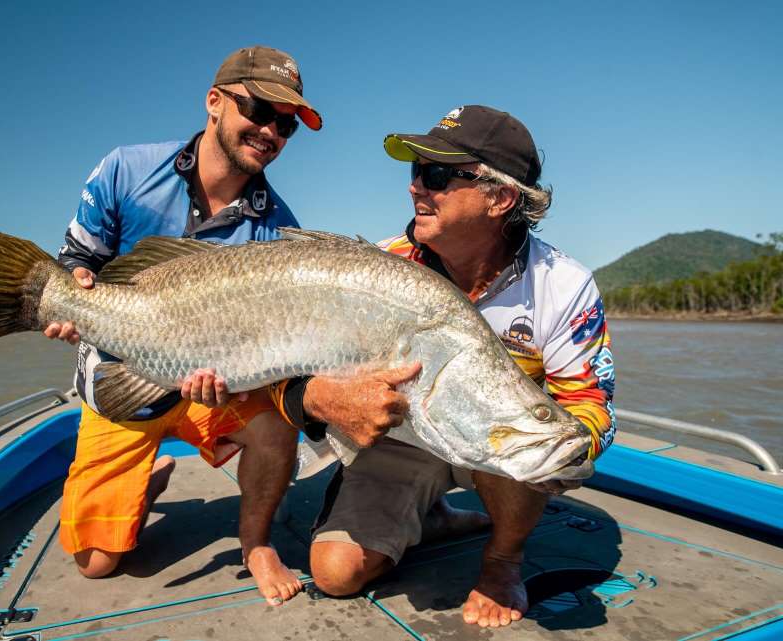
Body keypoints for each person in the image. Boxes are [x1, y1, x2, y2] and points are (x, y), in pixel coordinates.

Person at [185, 105, 616, 628]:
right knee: (335, 574)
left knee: (528, 448)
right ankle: (429, 514)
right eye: (415, 171)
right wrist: (318, 398)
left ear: (500, 197)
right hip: (403, 440)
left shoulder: (564, 285)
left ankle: (502, 561)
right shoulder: (376, 270)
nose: (416, 187)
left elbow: (591, 406)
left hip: (492, 448)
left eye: (436, 174)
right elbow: (280, 376)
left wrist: (573, 452)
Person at [43, 45, 323, 607]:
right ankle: (151, 477)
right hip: (121, 385)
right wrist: (70, 293)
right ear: (214, 102)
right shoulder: (125, 168)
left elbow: (263, 339)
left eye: (286, 124)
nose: (271, 131)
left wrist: (235, 376)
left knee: (275, 425)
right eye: (260, 111)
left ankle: (256, 544)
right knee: (97, 565)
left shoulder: (280, 227)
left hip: (208, 389)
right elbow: (79, 257)